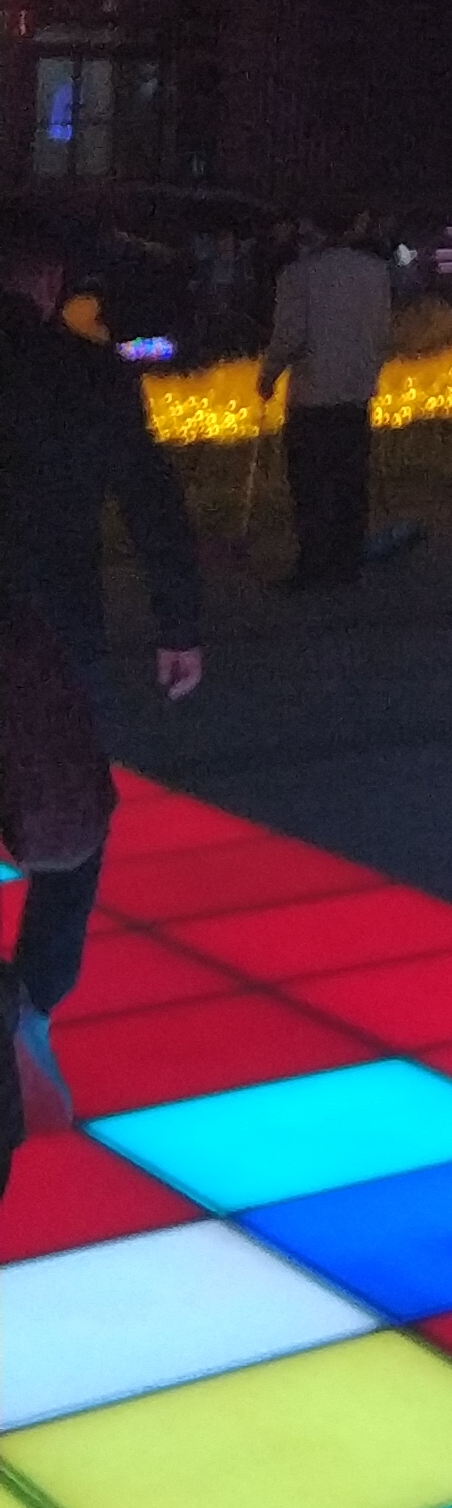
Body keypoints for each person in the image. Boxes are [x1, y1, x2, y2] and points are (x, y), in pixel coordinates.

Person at [0, 214, 205, 1121]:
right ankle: (36, 995)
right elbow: (152, 500)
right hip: (53, 631)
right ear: (49, 282)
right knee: (73, 815)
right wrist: (178, 624)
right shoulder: (88, 374)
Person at [257, 211, 394, 587]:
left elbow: (289, 335)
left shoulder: (299, 275)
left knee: (311, 484)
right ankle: (347, 562)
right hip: (355, 393)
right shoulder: (375, 272)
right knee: (351, 482)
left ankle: (314, 564)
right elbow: (382, 333)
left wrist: (268, 375)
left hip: (313, 395)